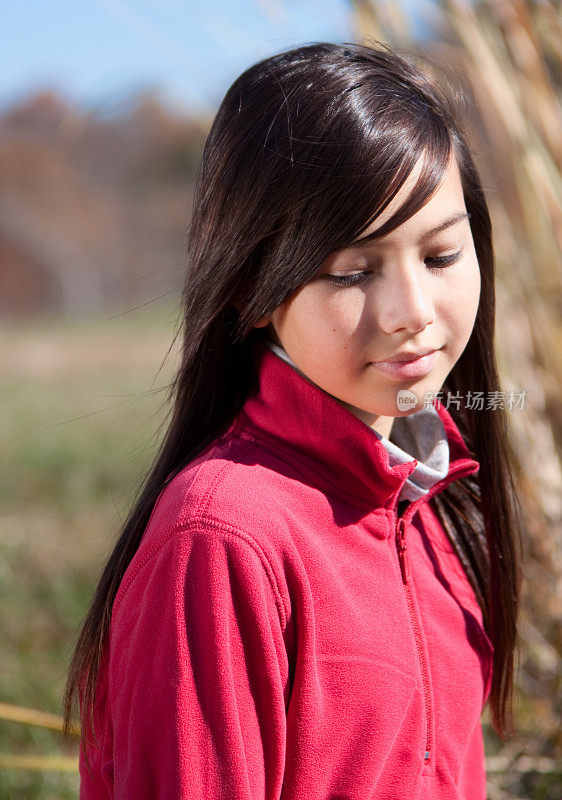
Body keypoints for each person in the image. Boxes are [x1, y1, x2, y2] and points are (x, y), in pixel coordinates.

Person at [63, 41, 524, 799]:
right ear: (253, 287)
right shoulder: (220, 540)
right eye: (352, 271)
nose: (414, 313)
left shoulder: (437, 495)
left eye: (441, 256)